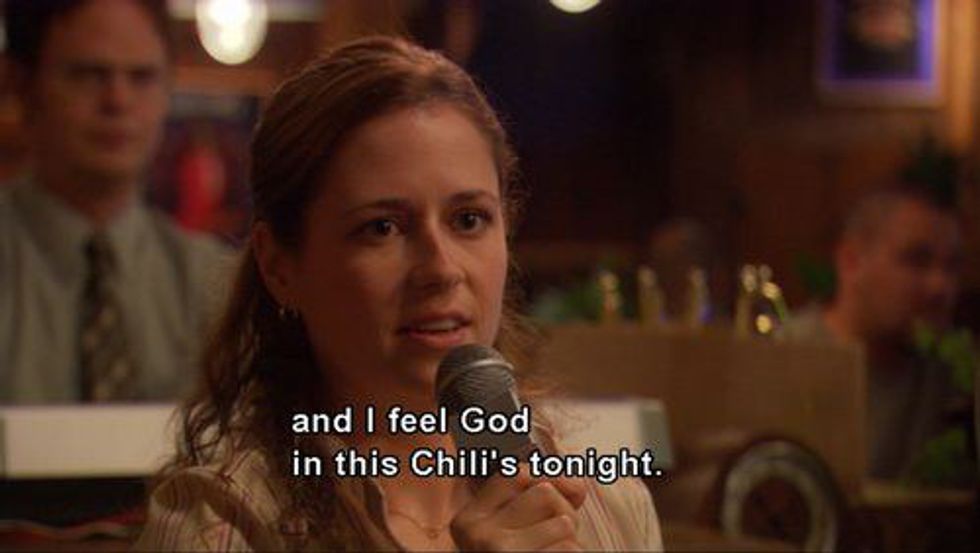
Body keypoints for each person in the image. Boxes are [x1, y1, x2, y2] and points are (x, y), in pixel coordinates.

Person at [136, 37, 663, 551]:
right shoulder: (219, 527)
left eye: (469, 219)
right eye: (382, 228)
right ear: (280, 266)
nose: (441, 269)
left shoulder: (609, 505)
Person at [0, 0, 230, 403]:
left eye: (142, 77)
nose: (119, 101)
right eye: (88, 75)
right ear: (22, 85)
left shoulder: (216, 285)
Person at [782, 183, 962, 479]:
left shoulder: (951, 378)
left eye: (952, 267)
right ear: (850, 262)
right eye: (917, 260)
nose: (940, 286)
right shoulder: (782, 359)